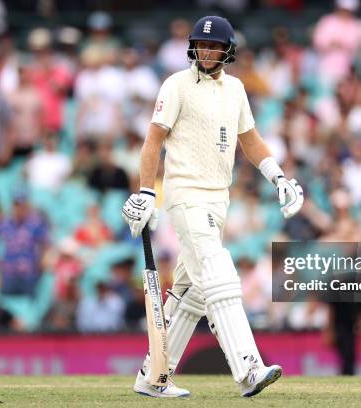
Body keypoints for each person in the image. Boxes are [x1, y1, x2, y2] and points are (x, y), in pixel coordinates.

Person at [122, 16, 303, 398]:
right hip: (186, 195)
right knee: (219, 272)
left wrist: (279, 178)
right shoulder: (176, 85)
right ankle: (248, 369)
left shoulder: (236, 89)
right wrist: (146, 192)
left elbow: (250, 141)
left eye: (213, 46)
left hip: (219, 199)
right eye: (201, 45)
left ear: (227, 50)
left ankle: (154, 376)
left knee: (192, 293)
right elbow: (152, 142)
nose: (206, 51)